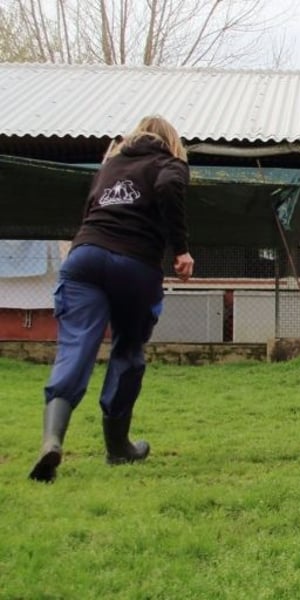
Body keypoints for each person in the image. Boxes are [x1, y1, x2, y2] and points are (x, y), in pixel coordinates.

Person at [29, 115, 194, 483]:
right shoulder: (169, 163)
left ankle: (52, 440)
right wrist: (181, 248)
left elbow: (89, 210)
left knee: (75, 348)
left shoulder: (111, 164)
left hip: (86, 256)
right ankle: (118, 447)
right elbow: (169, 186)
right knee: (128, 350)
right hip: (135, 263)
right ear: (172, 141)